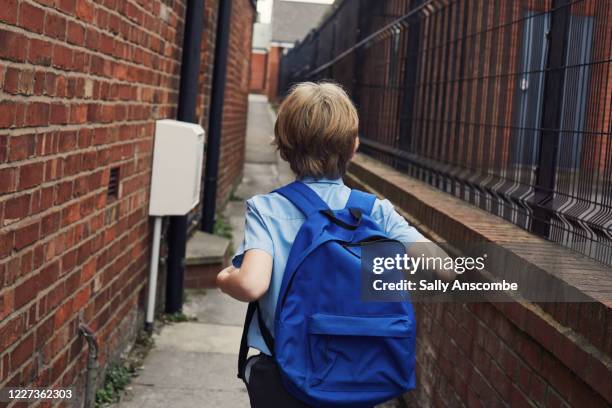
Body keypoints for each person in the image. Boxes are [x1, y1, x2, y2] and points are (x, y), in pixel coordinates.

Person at [216, 81, 453, 407]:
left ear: (283, 148)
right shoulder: (376, 212)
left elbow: (252, 284)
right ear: (353, 147)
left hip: (285, 372)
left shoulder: (268, 209)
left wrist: (225, 277)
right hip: (359, 369)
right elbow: (444, 268)